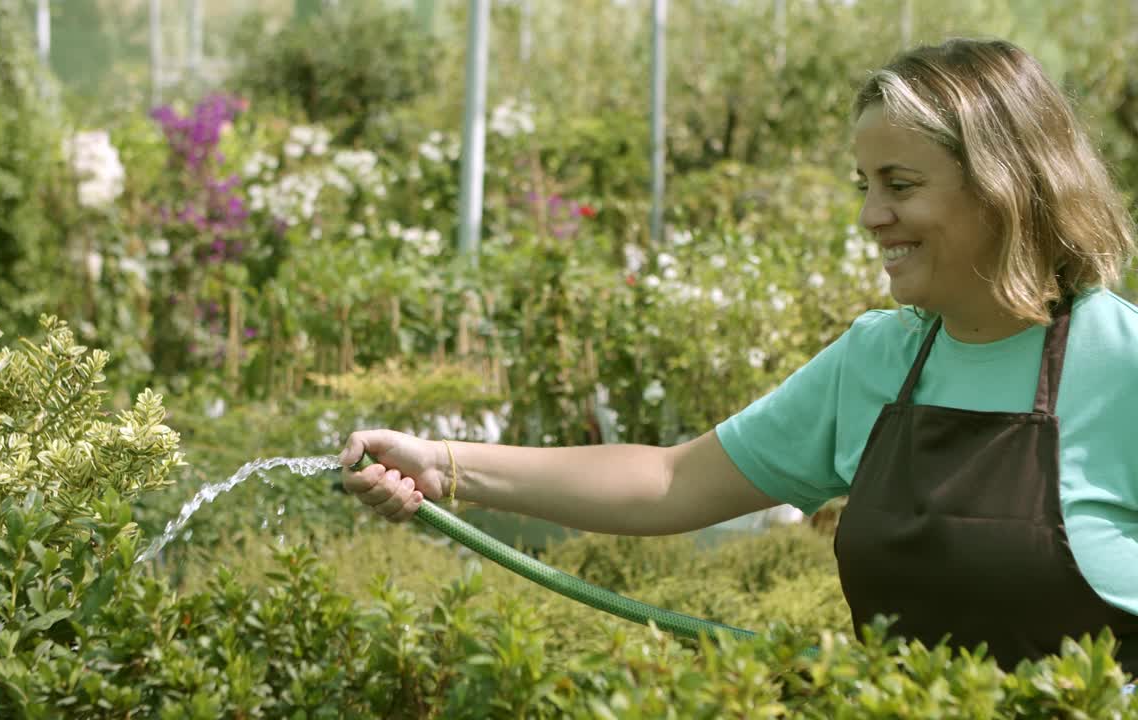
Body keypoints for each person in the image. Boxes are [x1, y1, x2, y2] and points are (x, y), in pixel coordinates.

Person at [340, 38, 1138, 676]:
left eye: (900, 183)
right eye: (863, 182)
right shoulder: (878, 361)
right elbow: (668, 481)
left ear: (1004, 186)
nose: (870, 214)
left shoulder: (1120, 362)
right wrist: (448, 465)